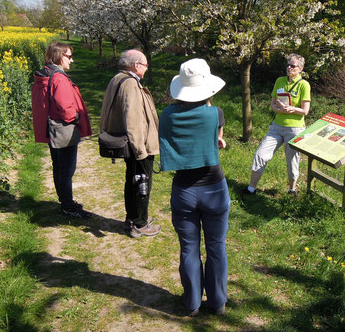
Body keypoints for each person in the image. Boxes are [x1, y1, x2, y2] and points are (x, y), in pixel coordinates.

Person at [159, 58, 230, 317]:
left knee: (189, 248)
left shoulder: (166, 115)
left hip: (184, 190)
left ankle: (192, 304)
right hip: (214, 188)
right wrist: (217, 142)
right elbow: (216, 139)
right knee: (216, 245)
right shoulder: (215, 113)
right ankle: (218, 302)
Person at [100, 49, 161, 238]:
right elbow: (133, 119)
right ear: (136, 65)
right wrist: (140, 150)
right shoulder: (130, 84)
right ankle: (140, 224)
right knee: (142, 183)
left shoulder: (116, 79)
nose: (146, 68)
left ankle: (132, 218)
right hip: (138, 145)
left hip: (129, 143)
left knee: (132, 181)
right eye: (145, 64)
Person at [32, 42, 92, 218]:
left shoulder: (46, 74)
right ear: (59, 56)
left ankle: (65, 201)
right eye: (69, 56)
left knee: (58, 167)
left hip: (52, 130)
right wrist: (76, 117)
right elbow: (65, 107)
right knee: (66, 169)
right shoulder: (59, 78)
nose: (71, 61)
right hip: (63, 129)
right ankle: (68, 206)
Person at [244, 53, 311, 196]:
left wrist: (292, 109)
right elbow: (272, 104)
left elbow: (305, 111)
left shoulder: (304, 85)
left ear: (300, 68)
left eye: (292, 66)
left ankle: (292, 189)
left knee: (292, 161)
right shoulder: (280, 81)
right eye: (288, 65)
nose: (289, 68)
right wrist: (279, 109)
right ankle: (251, 189)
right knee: (260, 154)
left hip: (295, 129)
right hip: (276, 127)